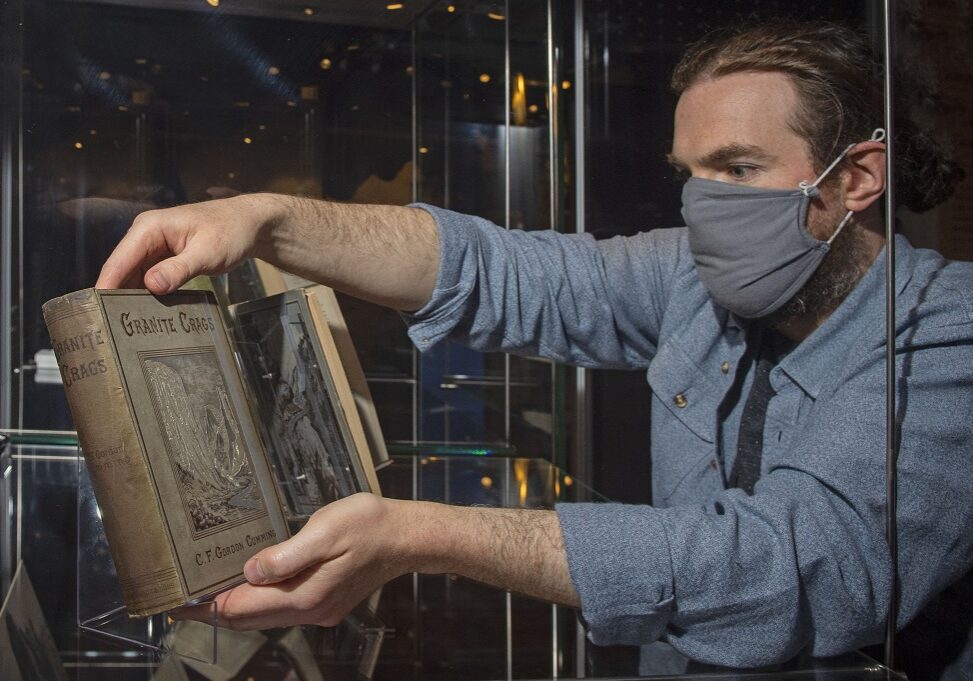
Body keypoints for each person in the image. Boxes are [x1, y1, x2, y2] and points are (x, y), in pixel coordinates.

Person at [95, 20, 971, 679]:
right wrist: (267, 217)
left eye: (737, 169)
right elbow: (499, 270)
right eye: (687, 172)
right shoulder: (690, 275)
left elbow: (794, 569)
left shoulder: (950, 336)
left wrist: (424, 534)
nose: (703, 204)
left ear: (854, 178)